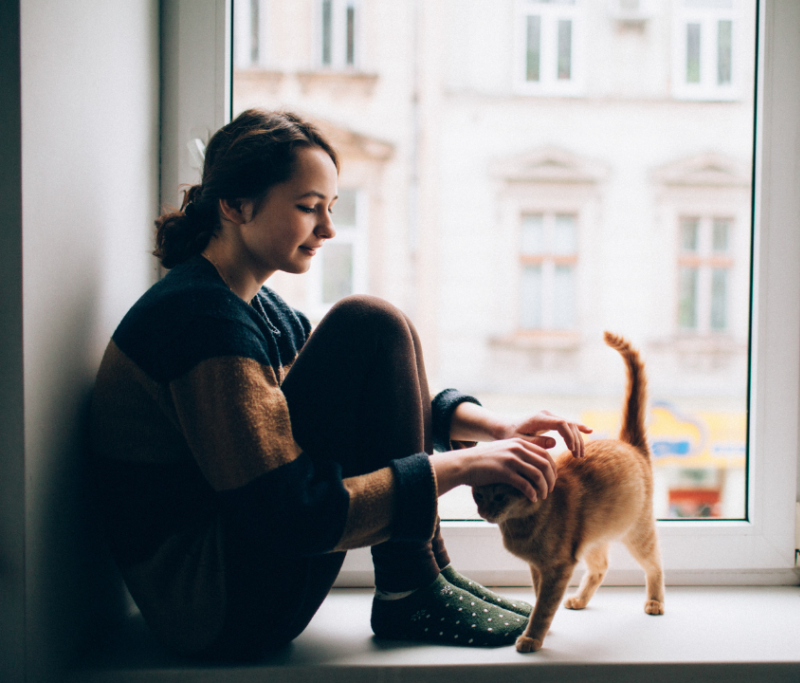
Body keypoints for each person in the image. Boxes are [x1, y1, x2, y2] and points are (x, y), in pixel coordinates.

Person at [89, 109, 591, 660]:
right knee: (368, 322)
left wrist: (491, 426)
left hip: (236, 579)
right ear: (234, 204)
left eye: (331, 209)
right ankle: (413, 585)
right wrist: (463, 465)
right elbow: (292, 515)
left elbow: (380, 400)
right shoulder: (200, 322)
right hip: (214, 610)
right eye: (309, 209)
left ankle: (421, 577)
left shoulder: (253, 309)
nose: (328, 229)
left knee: (377, 330)